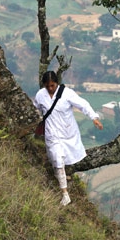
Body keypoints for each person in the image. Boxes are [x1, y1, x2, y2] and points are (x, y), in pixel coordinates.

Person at [33, 70, 103, 206]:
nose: (50, 89)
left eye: (52, 85)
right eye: (47, 86)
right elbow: (35, 108)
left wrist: (94, 117)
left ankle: (63, 183)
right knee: (58, 160)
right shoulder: (40, 95)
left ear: (56, 83)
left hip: (67, 133)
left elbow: (83, 104)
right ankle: (65, 194)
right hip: (52, 134)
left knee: (63, 161)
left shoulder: (67, 94)